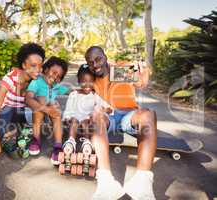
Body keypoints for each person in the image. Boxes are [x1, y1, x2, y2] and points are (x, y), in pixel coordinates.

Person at [84, 46, 157, 200]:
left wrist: (144, 74)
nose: (95, 65)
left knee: (148, 115)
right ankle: (106, 183)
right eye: (91, 63)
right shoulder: (91, 78)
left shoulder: (118, 70)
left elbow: (140, 82)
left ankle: (142, 184)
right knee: (97, 113)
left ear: (105, 57)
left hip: (128, 116)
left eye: (98, 59)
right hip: (108, 118)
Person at [25, 56, 69, 165]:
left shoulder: (56, 86)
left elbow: (70, 91)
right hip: (33, 114)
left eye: (59, 76)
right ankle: (36, 139)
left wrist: (86, 89)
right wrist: (46, 108)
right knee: (41, 101)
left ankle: (58, 146)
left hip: (49, 115)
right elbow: (28, 98)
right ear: (46, 70)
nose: (55, 77)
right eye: (54, 72)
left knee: (56, 110)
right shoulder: (37, 82)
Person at [62, 65, 112, 155]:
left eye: (91, 81)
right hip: (74, 121)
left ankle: (87, 142)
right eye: (84, 81)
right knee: (74, 120)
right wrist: (66, 118)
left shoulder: (94, 95)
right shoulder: (73, 94)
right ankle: (71, 141)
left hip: (87, 121)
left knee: (85, 121)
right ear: (78, 81)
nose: (87, 85)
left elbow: (108, 108)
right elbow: (68, 109)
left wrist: (104, 110)